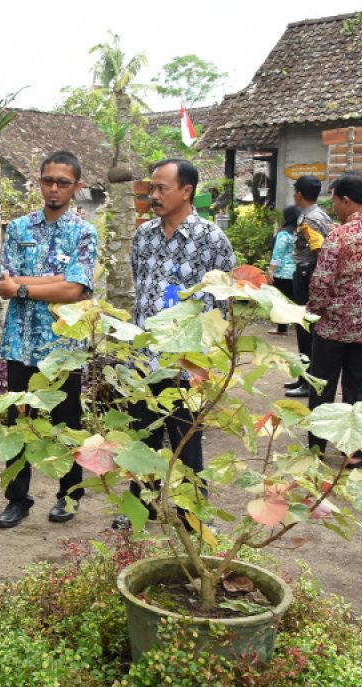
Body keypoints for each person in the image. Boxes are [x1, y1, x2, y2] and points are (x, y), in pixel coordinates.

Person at [0, 151, 97, 529]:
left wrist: (24, 286)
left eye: (63, 183)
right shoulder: (19, 229)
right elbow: (4, 284)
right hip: (20, 344)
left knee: (66, 424)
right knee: (18, 422)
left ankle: (69, 495)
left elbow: (75, 290)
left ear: (77, 187)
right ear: (38, 182)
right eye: (48, 181)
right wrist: (50, 283)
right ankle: (17, 499)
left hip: (63, 349)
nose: (54, 188)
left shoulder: (84, 233)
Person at [128, 158, 235, 485]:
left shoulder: (212, 239)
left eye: (162, 188)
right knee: (142, 437)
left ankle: (192, 517)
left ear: (187, 191)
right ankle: (139, 507)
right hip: (146, 356)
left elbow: (223, 300)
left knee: (186, 439)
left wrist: (213, 356)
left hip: (188, 359)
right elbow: (140, 283)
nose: (154, 195)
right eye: (152, 188)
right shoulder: (143, 236)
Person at [305, 171, 362, 466]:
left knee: (322, 385)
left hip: (335, 326)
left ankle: (317, 447)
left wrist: (314, 312)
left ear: (346, 201)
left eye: (335, 201)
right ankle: (354, 451)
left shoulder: (338, 236)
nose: (334, 207)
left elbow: (322, 282)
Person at [286, 174, 332, 398]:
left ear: (299, 194)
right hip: (309, 275)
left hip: (307, 276)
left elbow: (319, 250)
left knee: (305, 330)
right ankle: (304, 376)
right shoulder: (319, 214)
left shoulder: (310, 220)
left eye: (295, 191)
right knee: (307, 330)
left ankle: (308, 380)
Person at [266, 204, 300, 335]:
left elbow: (277, 255)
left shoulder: (283, 234)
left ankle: (281, 328)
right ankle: (299, 327)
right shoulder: (300, 232)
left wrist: (270, 271)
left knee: (280, 301)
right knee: (296, 300)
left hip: (282, 273)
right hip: (297, 272)